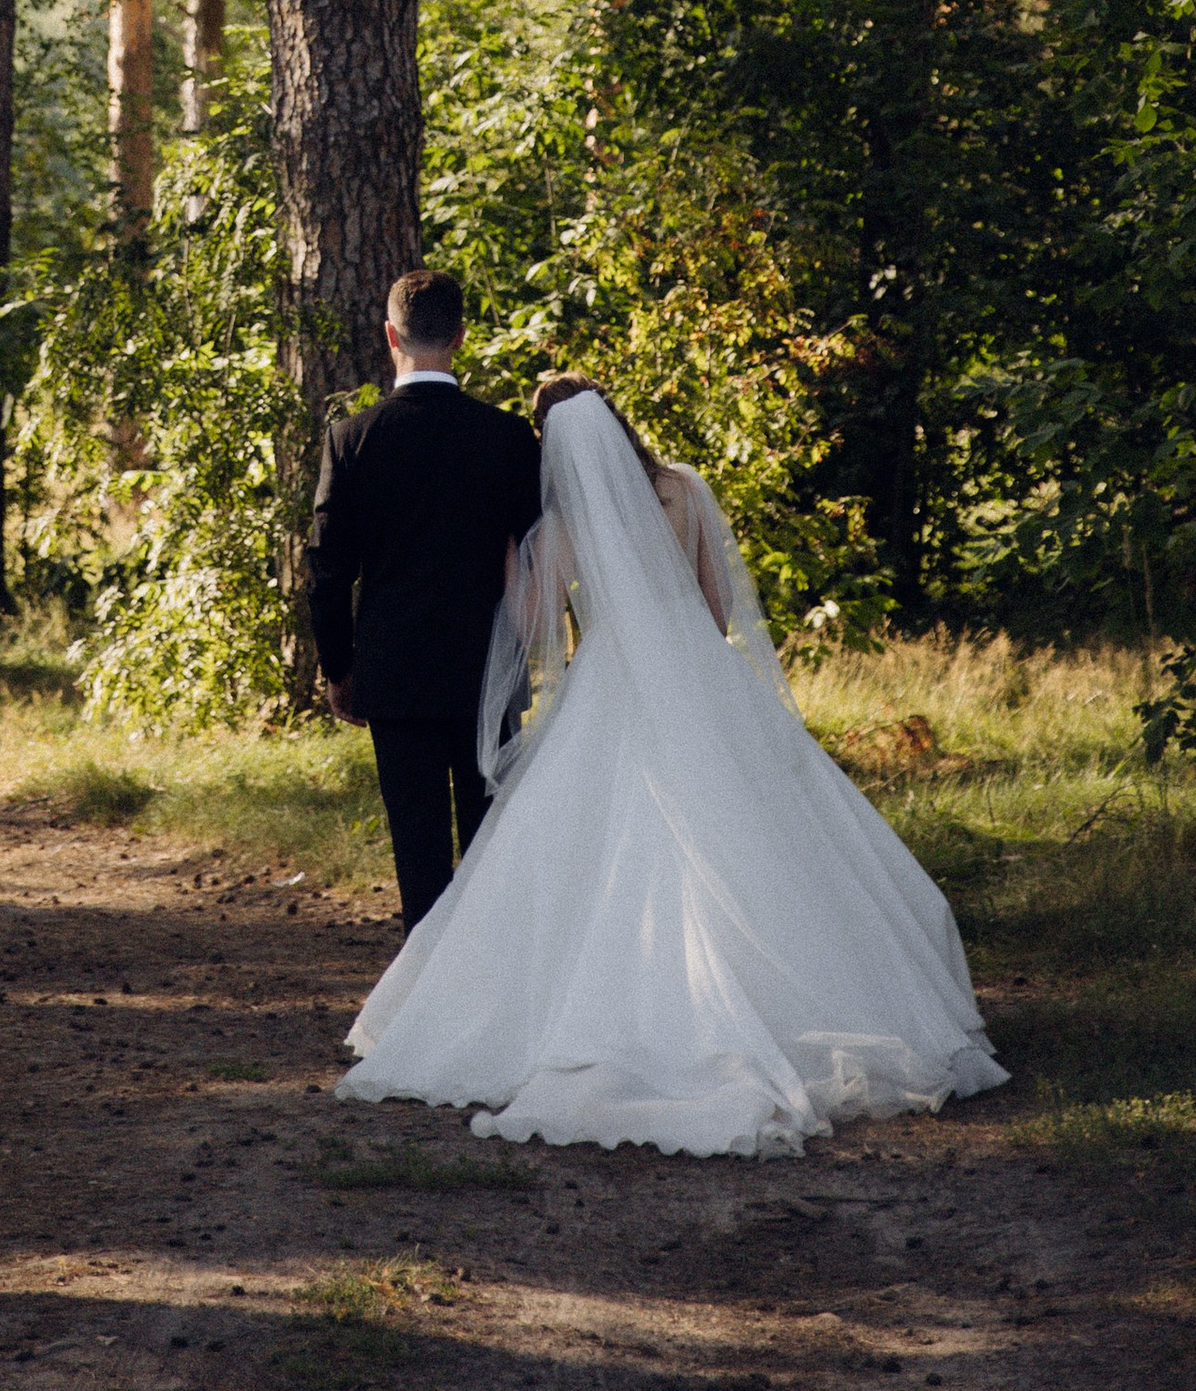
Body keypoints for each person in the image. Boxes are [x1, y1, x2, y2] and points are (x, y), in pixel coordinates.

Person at [336, 375, 1007, 1160]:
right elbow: (717, 611)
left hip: (610, 682)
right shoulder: (685, 489)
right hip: (699, 677)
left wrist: (514, 565)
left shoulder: (564, 526)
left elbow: (530, 624)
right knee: (754, 834)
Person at [304, 268, 542, 930]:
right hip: (489, 670)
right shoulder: (506, 437)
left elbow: (326, 569)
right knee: (492, 847)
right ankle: (494, 976)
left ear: (390, 336)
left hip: (396, 671)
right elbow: (536, 556)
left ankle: (427, 980)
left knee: (419, 853)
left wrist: (339, 667)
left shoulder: (352, 439)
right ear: (460, 336)